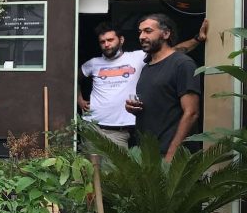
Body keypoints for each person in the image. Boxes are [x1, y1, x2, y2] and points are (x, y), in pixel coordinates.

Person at [78, 20, 207, 148]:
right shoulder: (93, 63)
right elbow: (72, 79)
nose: (106, 44)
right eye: (102, 42)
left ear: (121, 40)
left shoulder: (138, 57)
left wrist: (197, 39)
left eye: (110, 40)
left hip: (121, 130)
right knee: (89, 162)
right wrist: (79, 100)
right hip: (92, 125)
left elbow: (174, 51)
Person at [125, 13, 202, 161]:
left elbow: (192, 113)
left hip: (172, 156)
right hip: (149, 153)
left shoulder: (182, 64)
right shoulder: (147, 67)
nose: (141, 36)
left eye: (148, 31)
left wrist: (171, 154)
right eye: (140, 32)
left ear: (166, 34)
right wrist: (134, 109)